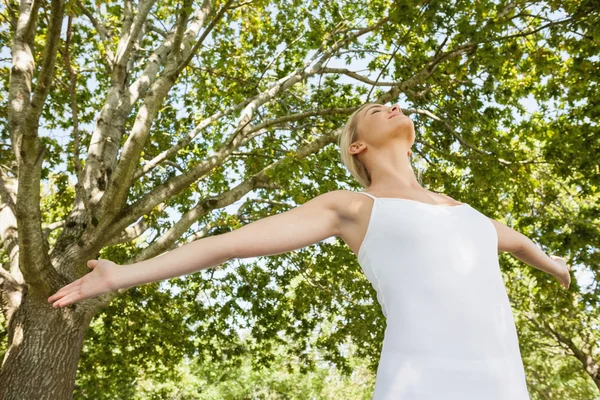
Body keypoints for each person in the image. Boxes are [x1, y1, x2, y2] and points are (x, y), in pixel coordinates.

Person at [48, 102, 571, 399]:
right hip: (422, 382)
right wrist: (124, 273)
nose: (392, 104)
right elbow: (225, 246)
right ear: (356, 147)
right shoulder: (351, 207)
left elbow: (518, 242)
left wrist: (554, 264)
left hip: (502, 382)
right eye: (373, 108)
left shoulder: (466, 212)